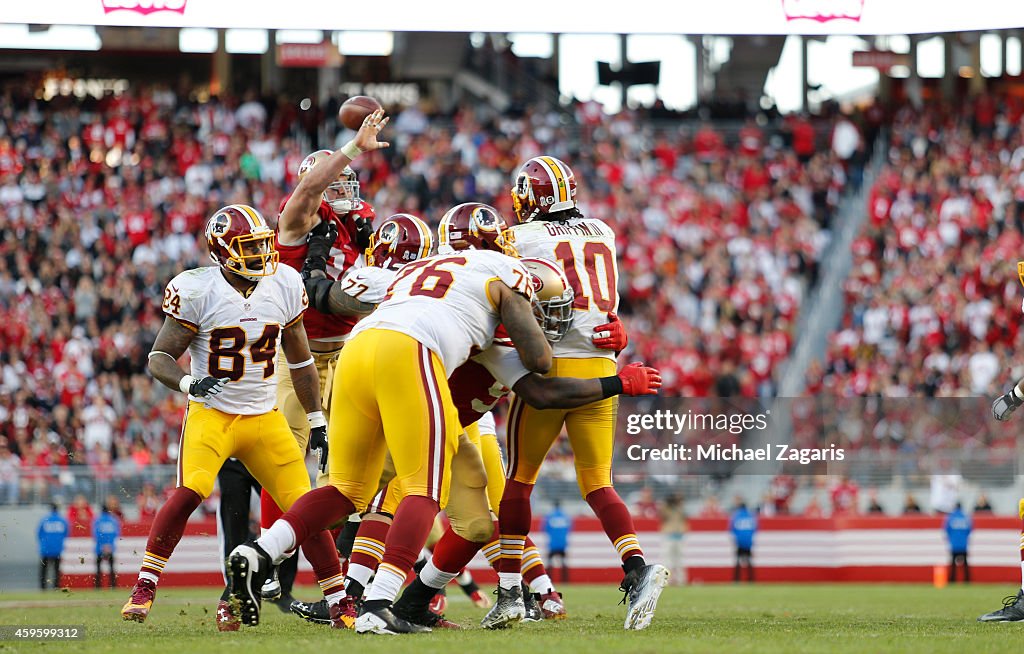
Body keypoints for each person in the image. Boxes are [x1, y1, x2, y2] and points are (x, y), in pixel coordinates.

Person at [228, 198, 555, 634]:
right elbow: (540, 361)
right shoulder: (502, 273)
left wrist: (319, 259)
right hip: (412, 358)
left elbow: (327, 297)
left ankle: (261, 552)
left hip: (357, 351)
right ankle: (378, 603)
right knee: (422, 489)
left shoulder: (413, 273)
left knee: (348, 491)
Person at [119, 203, 341, 631]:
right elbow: (160, 356)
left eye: (261, 244)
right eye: (249, 246)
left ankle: (338, 599)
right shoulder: (198, 290)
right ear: (221, 251)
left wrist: (316, 421)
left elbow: (300, 362)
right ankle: (145, 585)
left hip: (265, 416)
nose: (261, 253)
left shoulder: (284, 283)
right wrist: (188, 384)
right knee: (190, 492)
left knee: (305, 507)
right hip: (213, 414)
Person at [488, 156, 669, 632]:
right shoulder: (603, 231)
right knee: (597, 482)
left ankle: (509, 591)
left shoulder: (521, 237)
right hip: (603, 363)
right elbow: (603, 305)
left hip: (550, 363)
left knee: (520, 479)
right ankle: (637, 568)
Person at [258, 115, 386, 607]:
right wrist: (353, 145)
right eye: (337, 179)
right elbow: (310, 189)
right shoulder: (298, 218)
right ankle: (270, 562)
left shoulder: (357, 226)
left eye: (349, 180)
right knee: (289, 460)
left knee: (351, 466)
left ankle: (349, 575)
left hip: (350, 354)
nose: (347, 187)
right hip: (298, 358)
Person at [37, 503, 68, 590]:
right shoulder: (62, 520)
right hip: (57, 549)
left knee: (44, 570)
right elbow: (66, 534)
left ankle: (43, 588)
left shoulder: (44, 520)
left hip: (46, 549)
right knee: (56, 570)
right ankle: (56, 587)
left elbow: (39, 534)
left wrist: (44, 544)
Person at [660, 494, 688, 585]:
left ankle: (681, 580)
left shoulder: (680, 509)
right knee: (667, 559)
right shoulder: (667, 509)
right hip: (668, 535)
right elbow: (662, 515)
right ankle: (667, 579)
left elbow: (685, 516)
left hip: (679, 536)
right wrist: (668, 504)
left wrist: (677, 506)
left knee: (679, 559)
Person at [543, 501, 572, 584]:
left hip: (553, 543)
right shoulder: (565, 516)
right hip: (562, 544)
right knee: (563, 563)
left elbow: (544, 528)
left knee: (549, 563)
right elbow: (569, 529)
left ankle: (548, 581)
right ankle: (565, 581)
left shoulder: (549, 516)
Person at [94, 501, 121, 589]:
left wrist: (102, 545)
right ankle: (113, 585)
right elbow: (117, 533)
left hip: (99, 548)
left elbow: (96, 534)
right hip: (110, 547)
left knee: (98, 568)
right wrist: (108, 545)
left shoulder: (97, 520)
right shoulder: (113, 520)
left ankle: (98, 586)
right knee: (111, 568)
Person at [730, 500, 757, 583]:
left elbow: (732, 529)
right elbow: (755, 529)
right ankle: (751, 579)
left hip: (739, 542)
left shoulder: (736, 516)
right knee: (749, 561)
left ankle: (736, 579)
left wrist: (736, 540)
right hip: (748, 542)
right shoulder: (751, 516)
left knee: (738, 561)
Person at [944, 503, 972, 584]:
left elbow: (946, 530)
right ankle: (967, 580)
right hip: (963, 544)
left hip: (954, 544)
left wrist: (951, 539)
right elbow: (969, 530)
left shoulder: (951, 517)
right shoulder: (965, 517)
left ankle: (952, 580)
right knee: (965, 564)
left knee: (953, 564)